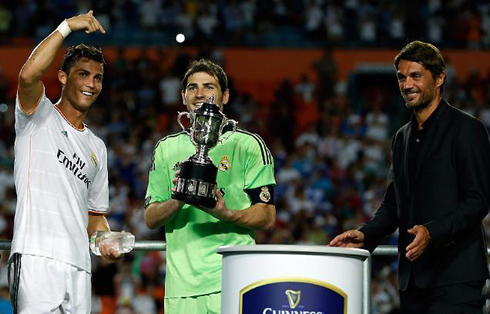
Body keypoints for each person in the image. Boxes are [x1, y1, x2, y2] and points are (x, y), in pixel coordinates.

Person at [330, 40, 490, 313]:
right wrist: (365, 234)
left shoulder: (467, 129)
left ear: (439, 78)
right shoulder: (400, 138)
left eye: (416, 76)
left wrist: (432, 232)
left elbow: (478, 201)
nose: (407, 85)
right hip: (413, 284)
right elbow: (393, 205)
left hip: (456, 280)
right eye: (401, 78)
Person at [9, 11, 121, 314]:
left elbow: (95, 217)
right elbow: (27, 75)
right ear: (63, 76)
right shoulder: (37, 115)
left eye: (97, 78)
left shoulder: (97, 147)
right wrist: (67, 27)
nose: (91, 84)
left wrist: (107, 241)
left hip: (80, 267)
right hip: (35, 258)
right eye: (83, 74)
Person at [144, 59, 276, 313]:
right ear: (183, 97)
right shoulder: (166, 148)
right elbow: (151, 218)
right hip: (182, 286)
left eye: (209, 87)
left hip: (235, 279)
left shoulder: (248, 145)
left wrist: (225, 213)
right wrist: (179, 197)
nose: (200, 94)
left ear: (225, 96)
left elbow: (267, 216)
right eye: (192, 88)